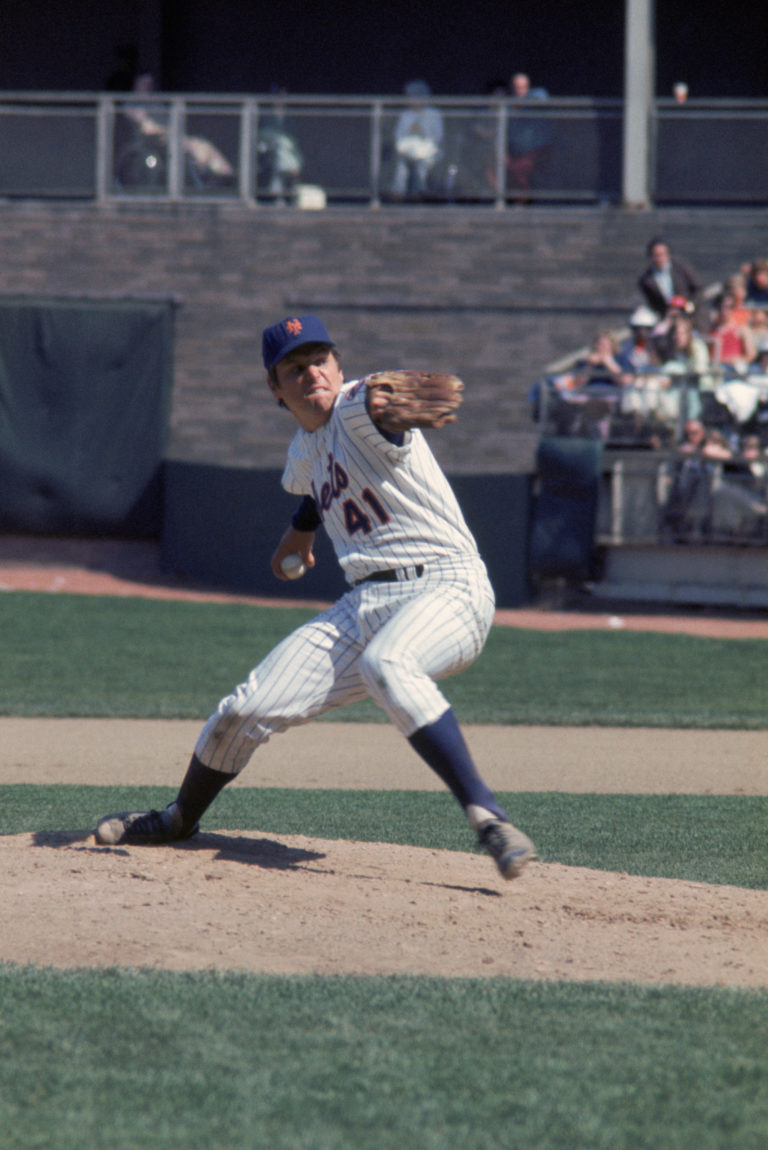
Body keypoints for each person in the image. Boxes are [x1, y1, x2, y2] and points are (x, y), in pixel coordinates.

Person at [95, 315, 535, 881]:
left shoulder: (358, 408)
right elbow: (313, 490)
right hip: (366, 604)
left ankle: (488, 817)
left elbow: (377, 407)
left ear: (339, 367)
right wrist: (301, 535)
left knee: (389, 664)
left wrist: (386, 403)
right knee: (244, 710)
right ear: (274, 388)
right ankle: (180, 818)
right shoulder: (303, 451)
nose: (313, 374)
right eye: (295, 368)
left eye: (321, 360)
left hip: (449, 586)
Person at [390, 80, 444, 199]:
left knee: (422, 166)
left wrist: (424, 136)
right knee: (402, 166)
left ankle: (418, 193)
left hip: (428, 150)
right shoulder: (405, 115)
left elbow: (438, 136)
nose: (412, 101)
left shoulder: (434, 114)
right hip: (408, 150)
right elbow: (398, 135)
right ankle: (398, 193)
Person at [505, 72, 552, 198]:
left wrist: (523, 102)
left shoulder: (535, 97)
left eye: (523, 87)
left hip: (538, 150)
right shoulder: (508, 106)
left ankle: (523, 204)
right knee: (500, 165)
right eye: (517, 87)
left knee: (519, 169)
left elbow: (542, 97)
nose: (520, 91)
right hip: (516, 151)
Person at [637, 237, 702, 321]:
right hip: (668, 318)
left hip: (692, 315)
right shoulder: (646, 280)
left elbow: (698, 288)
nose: (659, 258)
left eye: (662, 254)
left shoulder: (681, 267)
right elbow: (653, 304)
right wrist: (668, 311)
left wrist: (690, 304)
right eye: (656, 255)